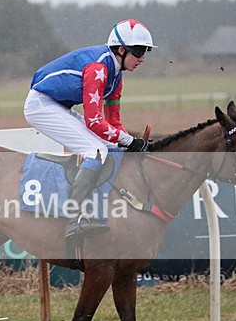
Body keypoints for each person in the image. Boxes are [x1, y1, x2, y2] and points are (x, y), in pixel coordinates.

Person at [24, 18, 156, 240]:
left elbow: (113, 124)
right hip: (41, 105)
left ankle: (99, 208)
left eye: (146, 52)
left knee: (111, 146)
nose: (142, 58)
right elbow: (94, 121)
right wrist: (129, 141)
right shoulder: (98, 69)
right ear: (121, 49)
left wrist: (127, 143)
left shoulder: (117, 77)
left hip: (58, 105)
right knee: (94, 151)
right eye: (139, 51)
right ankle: (73, 220)